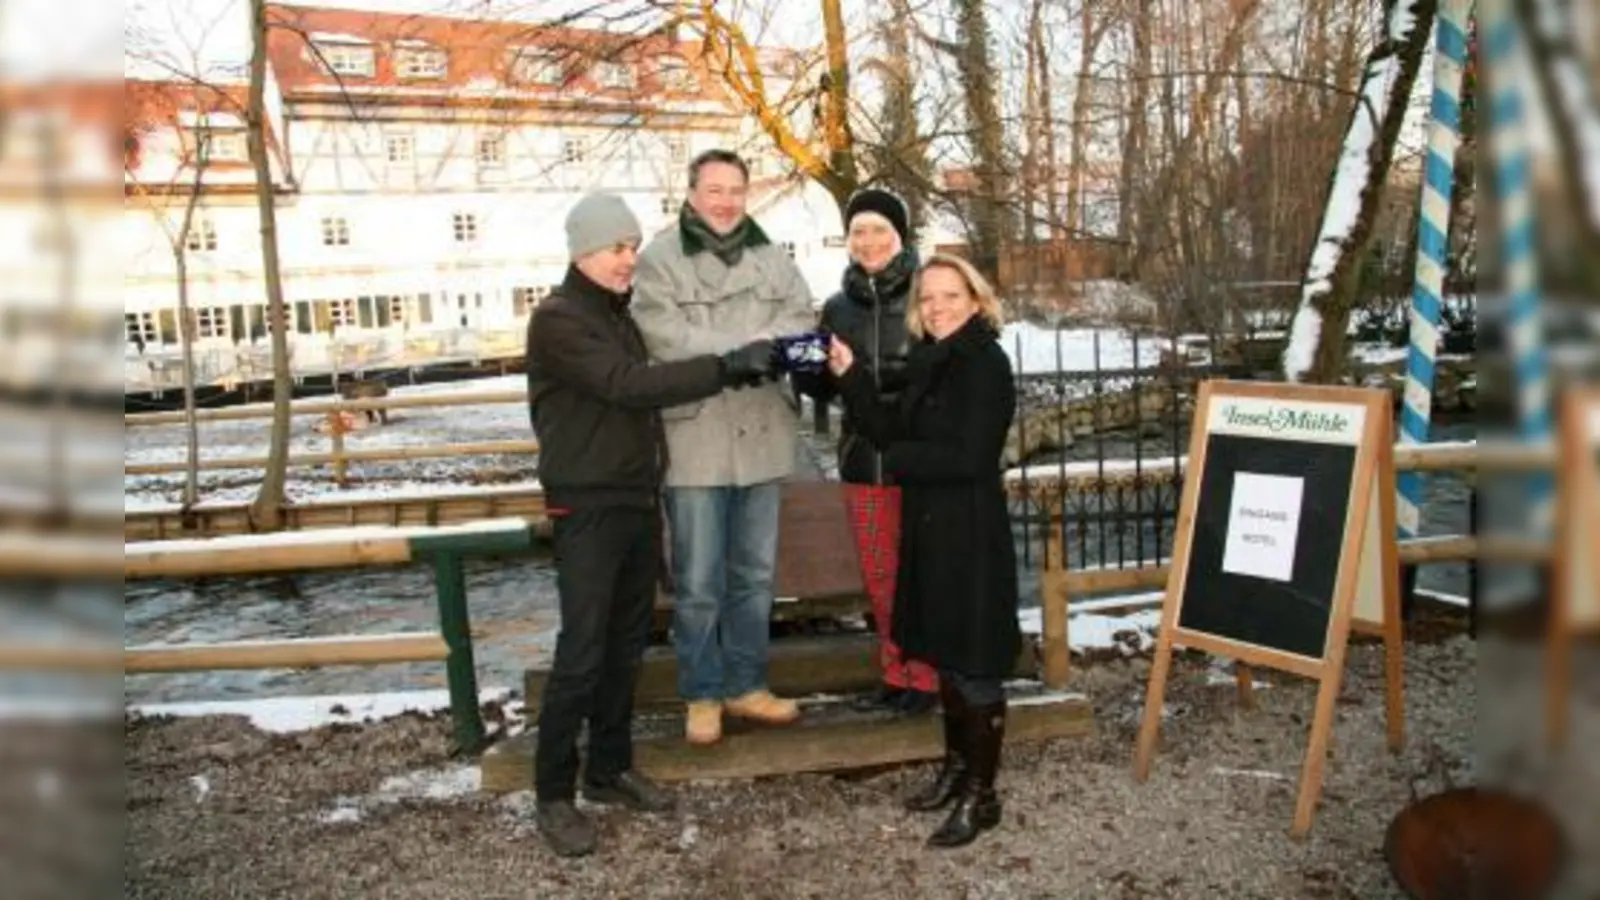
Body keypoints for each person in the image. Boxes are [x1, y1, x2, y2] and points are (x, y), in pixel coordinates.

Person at [525, 191, 781, 858]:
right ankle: (553, 793)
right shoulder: (558, 320)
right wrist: (726, 367)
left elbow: (641, 392)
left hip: (636, 501)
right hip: (586, 507)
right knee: (582, 652)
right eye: (617, 248)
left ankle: (609, 769)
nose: (628, 260)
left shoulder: (617, 316)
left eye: (633, 248)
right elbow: (627, 385)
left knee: (625, 646)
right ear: (582, 250)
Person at [825, 253, 1020, 849]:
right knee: (947, 658)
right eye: (927, 298)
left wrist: (893, 463)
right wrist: (851, 377)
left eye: (950, 296)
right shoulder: (932, 359)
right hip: (931, 528)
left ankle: (982, 796)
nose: (936, 308)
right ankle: (957, 771)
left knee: (974, 663)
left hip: (969, 532)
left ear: (976, 300)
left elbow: (971, 457)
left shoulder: (985, 363)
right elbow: (888, 427)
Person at [631, 149, 816, 747]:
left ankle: (747, 683)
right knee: (698, 582)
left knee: (755, 577)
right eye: (714, 190)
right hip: (696, 439)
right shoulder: (659, 259)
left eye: (736, 190)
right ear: (691, 194)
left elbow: (801, 319)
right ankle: (702, 693)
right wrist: (740, 350)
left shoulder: (773, 257)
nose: (726, 202)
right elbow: (662, 335)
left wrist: (765, 347)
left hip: (762, 433)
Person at [791, 187, 939, 715]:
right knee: (880, 579)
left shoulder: (929, 295)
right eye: (858, 231)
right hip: (862, 461)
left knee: (923, 576)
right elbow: (826, 389)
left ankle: (927, 676)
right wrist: (806, 368)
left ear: (900, 236)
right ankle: (896, 672)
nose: (868, 241)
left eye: (879, 230)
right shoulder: (836, 307)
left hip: (919, 465)